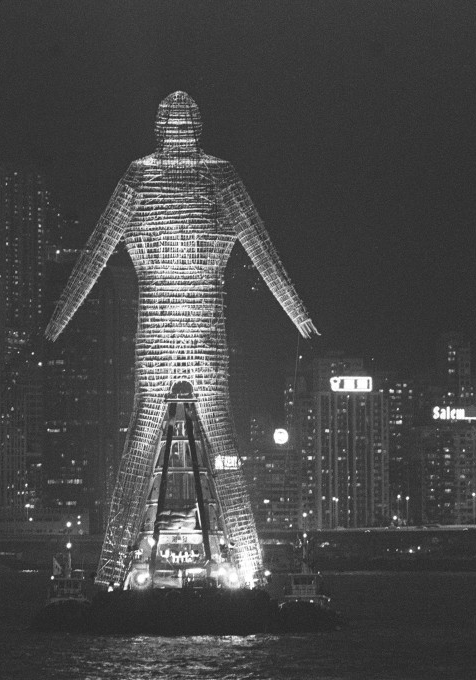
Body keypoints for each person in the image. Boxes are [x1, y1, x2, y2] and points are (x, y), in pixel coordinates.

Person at [47, 91, 317, 587]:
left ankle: (115, 572)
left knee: (203, 449)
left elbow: (261, 248)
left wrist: (298, 312)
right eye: (173, 121)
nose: (177, 127)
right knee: (166, 447)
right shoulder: (152, 176)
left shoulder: (209, 176)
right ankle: (237, 572)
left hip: (189, 336)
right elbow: (96, 252)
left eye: (181, 120)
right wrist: (58, 319)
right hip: (170, 334)